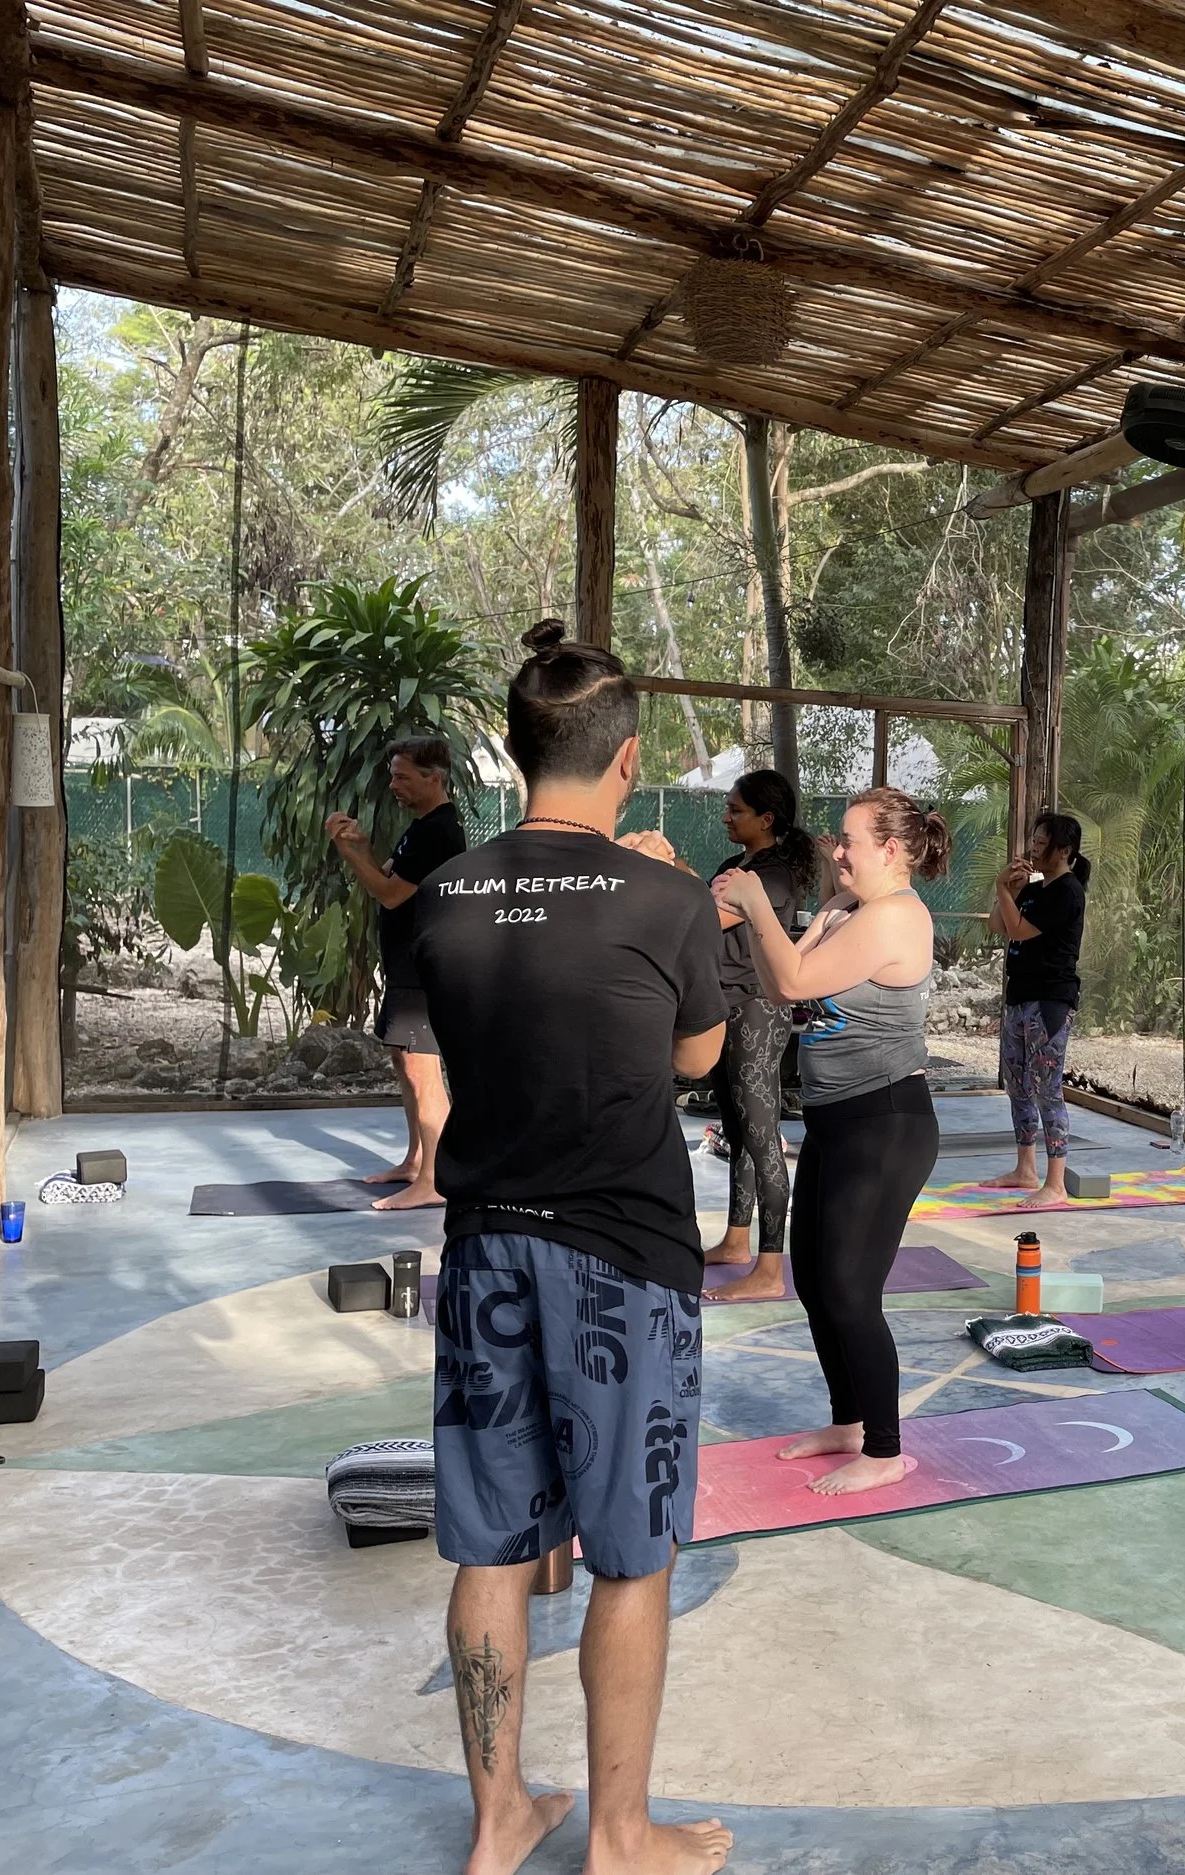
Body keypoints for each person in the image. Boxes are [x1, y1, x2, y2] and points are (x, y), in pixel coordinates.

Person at [412, 620, 733, 1875]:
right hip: (624, 1260)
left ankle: (498, 1823)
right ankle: (615, 1834)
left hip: (487, 1246)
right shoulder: (663, 896)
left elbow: (454, 1038)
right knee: (628, 1554)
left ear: (511, 745)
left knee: (491, 1545)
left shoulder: (445, 895)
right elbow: (697, 1059)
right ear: (627, 757)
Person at [719, 785, 946, 1497]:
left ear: (893, 850)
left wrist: (755, 901)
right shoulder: (846, 909)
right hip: (834, 1121)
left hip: (886, 1123)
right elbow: (782, 984)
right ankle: (849, 1421)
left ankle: (884, 1448)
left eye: (849, 841)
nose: (836, 850)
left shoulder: (896, 917)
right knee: (815, 1280)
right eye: (838, 839)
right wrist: (765, 920)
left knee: (850, 1289)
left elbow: (790, 973)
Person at [326, 736, 465, 1210]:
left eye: (403, 776)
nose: (393, 785)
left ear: (434, 778)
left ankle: (435, 1178)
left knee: (424, 1073)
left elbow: (388, 893)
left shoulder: (439, 831)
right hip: (408, 967)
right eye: (392, 775)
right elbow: (385, 875)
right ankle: (415, 1160)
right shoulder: (420, 828)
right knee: (404, 1062)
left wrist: (351, 855)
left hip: (425, 970)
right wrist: (361, 847)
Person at [699, 770, 817, 1304]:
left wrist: (660, 871)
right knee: (735, 1128)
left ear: (766, 819)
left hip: (756, 1008)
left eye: (736, 809)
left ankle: (770, 1270)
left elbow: (702, 917)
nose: (727, 816)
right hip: (723, 1005)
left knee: (762, 1133)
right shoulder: (733, 867)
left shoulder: (774, 876)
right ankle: (736, 1241)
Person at [988, 810, 1088, 1206]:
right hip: (1020, 997)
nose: (1033, 847)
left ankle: (1056, 1183)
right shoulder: (1034, 888)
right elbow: (999, 923)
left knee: (1048, 1089)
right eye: (1033, 839)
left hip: (1050, 1000)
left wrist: (1001, 888)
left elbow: (1018, 930)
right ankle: (1025, 1168)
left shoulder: (1067, 891)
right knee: (1017, 1084)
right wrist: (1008, 891)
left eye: (1041, 842)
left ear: (1063, 850)